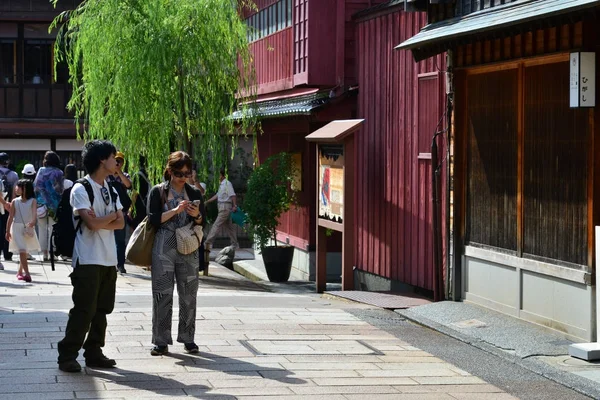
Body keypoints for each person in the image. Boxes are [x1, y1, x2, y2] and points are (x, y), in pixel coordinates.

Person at [56, 140, 124, 373]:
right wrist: (109, 217)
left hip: (108, 258)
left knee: (103, 309)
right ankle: (67, 354)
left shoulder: (110, 188)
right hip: (87, 258)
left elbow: (121, 222)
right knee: (84, 308)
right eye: (113, 157)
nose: (117, 161)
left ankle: (94, 351)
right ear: (102, 160)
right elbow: (92, 224)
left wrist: (104, 219)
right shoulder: (81, 188)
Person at [147, 151, 205, 356]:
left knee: (189, 294)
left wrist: (196, 215)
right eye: (180, 173)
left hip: (188, 244)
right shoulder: (158, 191)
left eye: (187, 173)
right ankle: (161, 341)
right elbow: (153, 220)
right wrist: (175, 211)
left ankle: (188, 338)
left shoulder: (195, 192)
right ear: (170, 171)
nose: (184, 177)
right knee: (162, 294)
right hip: (164, 244)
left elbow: (202, 221)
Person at [5, 180, 40, 282]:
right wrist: (7, 231)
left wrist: (33, 222)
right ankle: (27, 274)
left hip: (28, 228)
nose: (16, 188)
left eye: (18, 187)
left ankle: (20, 272)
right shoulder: (15, 201)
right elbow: (10, 217)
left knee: (24, 251)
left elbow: (34, 213)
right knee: (22, 250)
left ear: (25, 189)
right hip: (16, 227)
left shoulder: (33, 201)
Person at [34, 151, 64, 261]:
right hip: (54, 205)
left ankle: (44, 254)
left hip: (41, 204)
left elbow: (36, 186)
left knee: (42, 229)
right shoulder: (59, 173)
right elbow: (60, 189)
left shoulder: (41, 171)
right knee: (53, 229)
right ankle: (52, 253)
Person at [106, 151, 131, 274]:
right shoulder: (106, 175)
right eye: (115, 160)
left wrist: (120, 173)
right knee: (107, 238)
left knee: (120, 240)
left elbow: (128, 185)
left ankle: (120, 264)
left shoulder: (125, 175)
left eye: (120, 161)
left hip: (122, 211)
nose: (117, 163)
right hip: (108, 211)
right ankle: (109, 263)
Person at [204, 168, 238, 250]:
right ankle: (235, 244)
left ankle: (208, 242)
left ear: (222, 175)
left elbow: (232, 195)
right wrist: (207, 201)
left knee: (216, 225)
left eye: (218, 175)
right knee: (230, 227)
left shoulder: (227, 183)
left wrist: (235, 205)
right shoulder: (222, 184)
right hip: (223, 207)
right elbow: (217, 195)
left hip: (225, 207)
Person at [0, 152, 19, 268]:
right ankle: (8, 253)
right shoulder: (13, 175)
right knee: (8, 227)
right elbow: (15, 192)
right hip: (8, 205)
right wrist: (11, 204)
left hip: (0, 204)